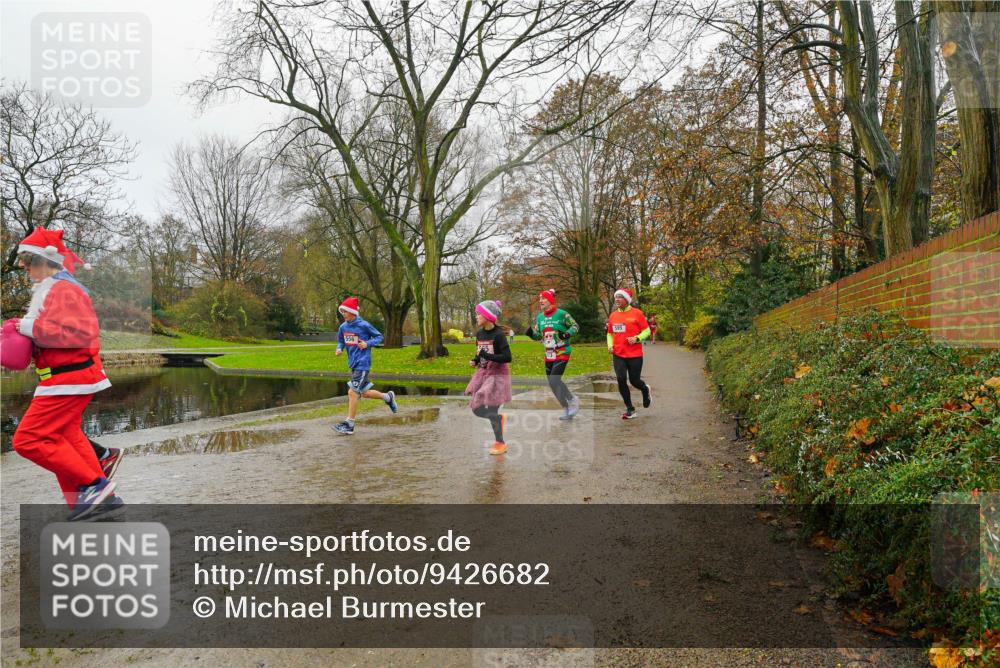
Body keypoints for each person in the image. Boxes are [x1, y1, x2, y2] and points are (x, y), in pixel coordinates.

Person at [8, 227, 124, 521]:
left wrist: (26, 328)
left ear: (47, 261)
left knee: (28, 439)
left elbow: (80, 334)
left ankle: (94, 486)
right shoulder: (53, 289)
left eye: (28, 259)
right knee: (65, 434)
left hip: (69, 377)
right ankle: (93, 500)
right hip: (64, 376)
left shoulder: (64, 289)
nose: (23, 265)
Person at [332, 297, 398, 435]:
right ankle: (388, 397)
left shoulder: (364, 325)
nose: (343, 314)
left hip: (363, 363)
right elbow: (341, 341)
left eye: (345, 311)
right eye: (342, 311)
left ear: (352, 312)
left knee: (352, 392)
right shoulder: (343, 327)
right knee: (365, 393)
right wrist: (339, 348)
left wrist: (367, 344)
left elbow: (379, 337)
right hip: (353, 364)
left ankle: (349, 424)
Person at [465, 300, 512, 455]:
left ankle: (500, 443)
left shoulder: (498, 335)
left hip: (498, 376)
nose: (476, 316)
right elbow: (480, 353)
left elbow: (507, 357)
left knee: (492, 408)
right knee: (476, 409)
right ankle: (498, 419)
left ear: (487, 316)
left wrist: (486, 355)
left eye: (479, 313)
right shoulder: (479, 334)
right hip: (483, 374)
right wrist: (476, 360)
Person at [525, 289, 580, 420]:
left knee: (554, 379)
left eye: (543, 299)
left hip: (562, 351)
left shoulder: (562, 314)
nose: (540, 301)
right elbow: (539, 335)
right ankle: (567, 408)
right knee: (552, 383)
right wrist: (531, 334)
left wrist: (566, 334)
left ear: (550, 300)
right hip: (549, 354)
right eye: (539, 299)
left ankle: (572, 399)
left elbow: (575, 326)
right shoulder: (540, 317)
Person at [607, 288, 652, 420]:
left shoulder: (637, 313)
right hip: (618, 354)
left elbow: (647, 331)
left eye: (620, 297)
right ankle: (630, 409)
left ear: (627, 299)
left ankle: (644, 389)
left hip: (635, 355)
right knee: (621, 379)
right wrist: (610, 345)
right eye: (616, 297)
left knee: (634, 381)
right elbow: (610, 333)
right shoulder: (613, 315)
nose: (617, 299)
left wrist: (637, 338)